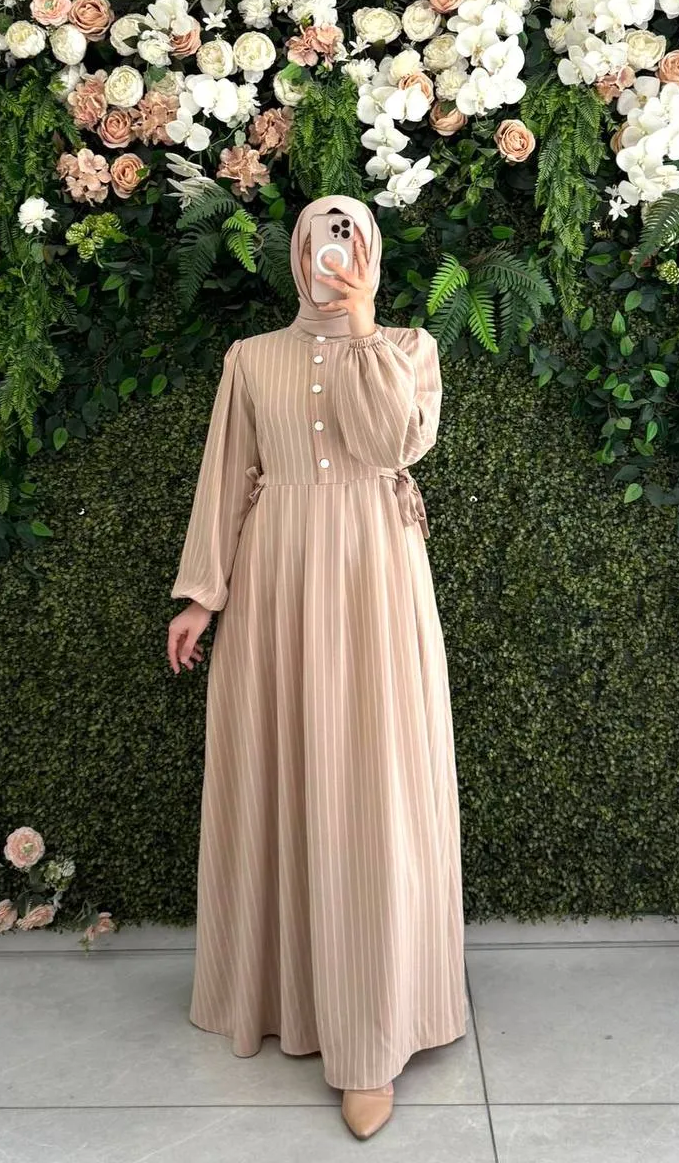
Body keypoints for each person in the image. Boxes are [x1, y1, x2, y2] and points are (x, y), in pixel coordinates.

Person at [167, 193, 467, 1140]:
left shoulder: (409, 349)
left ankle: (372, 1032)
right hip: (276, 583)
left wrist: (364, 326)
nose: (332, 254)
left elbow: (394, 444)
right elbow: (227, 475)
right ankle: (281, 993)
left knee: (374, 782)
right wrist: (202, 593)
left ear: (370, 250)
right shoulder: (251, 357)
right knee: (280, 773)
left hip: (376, 577)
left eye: (349, 237)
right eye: (318, 239)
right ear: (295, 254)